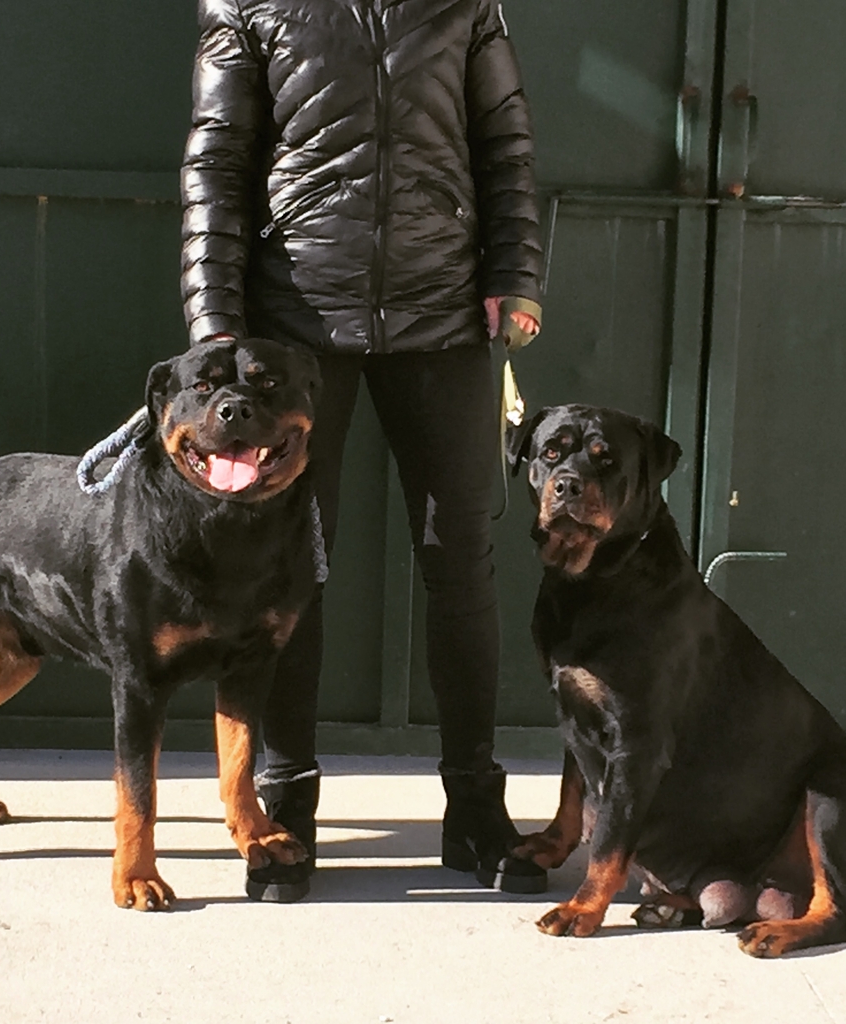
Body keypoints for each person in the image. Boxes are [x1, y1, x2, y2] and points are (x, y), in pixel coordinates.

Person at [180, 0, 544, 902]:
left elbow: (503, 144)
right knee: (292, 568)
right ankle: (287, 802)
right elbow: (218, 158)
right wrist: (216, 321)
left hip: (445, 315)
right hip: (295, 323)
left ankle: (475, 806)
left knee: (461, 560)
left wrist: (514, 275)